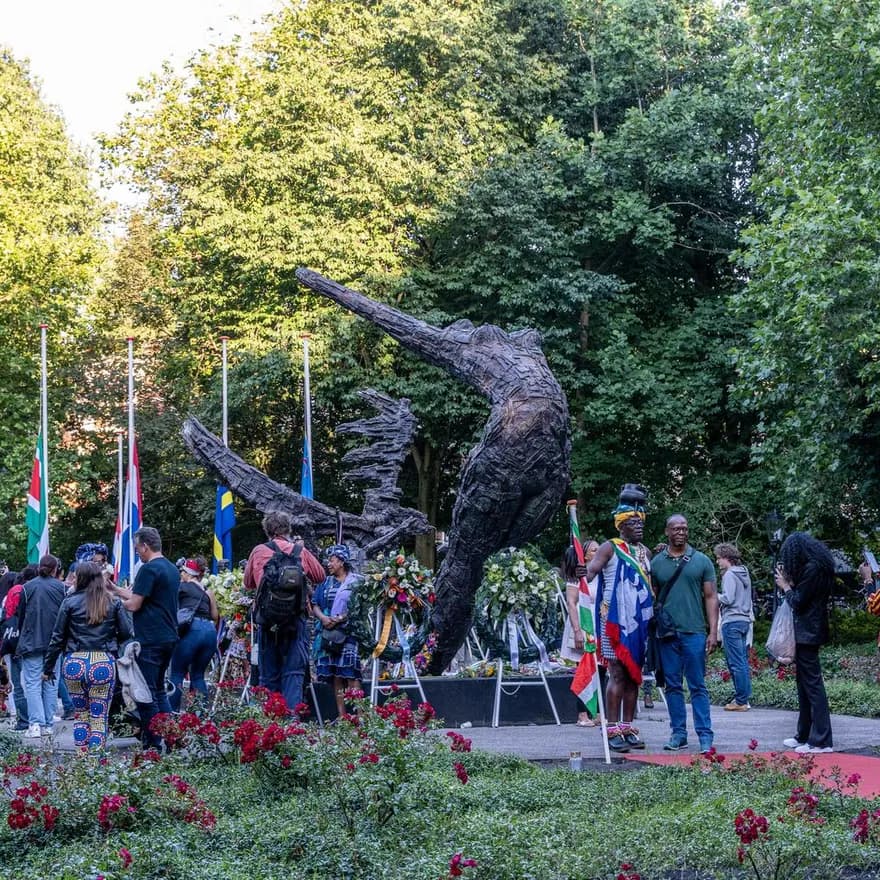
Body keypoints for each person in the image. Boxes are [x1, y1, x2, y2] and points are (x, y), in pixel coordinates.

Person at [584, 488, 653, 753]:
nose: (639, 526)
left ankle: (627, 726)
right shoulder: (610, 547)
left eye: (641, 522)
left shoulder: (645, 552)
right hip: (613, 621)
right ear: (621, 526)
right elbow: (590, 572)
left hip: (639, 623)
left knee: (634, 677)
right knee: (617, 674)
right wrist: (581, 571)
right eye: (633, 523)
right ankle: (611, 727)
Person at [42, 562, 133, 749]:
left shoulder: (69, 602)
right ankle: (95, 760)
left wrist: (48, 669)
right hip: (102, 662)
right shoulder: (113, 602)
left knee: (81, 715)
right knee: (99, 717)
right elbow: (126, 633)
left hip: (74, 662)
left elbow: (57, 638)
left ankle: (81, 758)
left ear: (80, 578)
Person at [243, 511, 325, 714]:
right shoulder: (299, 551)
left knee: (268, 673)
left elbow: (248, 583)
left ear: (267, 530)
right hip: (296, 618)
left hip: (267, 619)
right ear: (288, 528)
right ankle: (292, 721)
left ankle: (271, 720)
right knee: (294, 671)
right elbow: (320, 576)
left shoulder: (259, 551)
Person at [651, 514, 718, 753]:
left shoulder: (701, 560)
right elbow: (653, 598)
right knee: (672, 685)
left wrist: (713, 631)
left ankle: (705, 735)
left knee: (697, 685)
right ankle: (678, 734)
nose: (681, 532)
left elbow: (711, 597)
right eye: (676, 528)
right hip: (667, 634)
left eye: (684, 528)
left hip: (694, 632)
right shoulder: (656, 563)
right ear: (667, 532)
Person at [112, 526, 179, 748]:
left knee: (145, 693)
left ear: (145, 546)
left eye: (136, 548)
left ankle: (152, 744)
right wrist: (115, 589)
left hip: (150, 638)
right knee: (159, 690)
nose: (136, 552)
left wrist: (112, 602)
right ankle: (172, 738)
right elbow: (141, 596)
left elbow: (134, 604)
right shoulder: (170, 568)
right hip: (168, 636)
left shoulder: (148, 569)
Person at [774, 531, 835, 754]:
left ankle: (821, 740)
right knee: (805, 684)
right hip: (810, 631)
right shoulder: (818, 567)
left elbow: (798, 602)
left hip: (808, 632)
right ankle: (804, 734)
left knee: (812, 685)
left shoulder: (813, 569)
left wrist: (786, 586)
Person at [17, 554, 67, 737]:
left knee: (32, 683)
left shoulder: (27, 588)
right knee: (51, 683)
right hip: (54, 643)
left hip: (32, 641)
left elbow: (21, 616)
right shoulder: (62, 588)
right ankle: (47, 724)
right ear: (55, 569)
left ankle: (35, 724)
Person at [311, 545, 363, 718]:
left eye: (332, 560)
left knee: (351, 674)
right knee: (336, 675)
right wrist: (324, 618)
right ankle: (343, 718)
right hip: (329, 634)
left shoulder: (355, 582)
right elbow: (315, 604)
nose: (329, 564)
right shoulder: (325, 583)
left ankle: (360, 716)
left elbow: (360, 606)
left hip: (348, 633)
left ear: (341, 562)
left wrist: (341, 618)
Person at [169, 557, 219, 711]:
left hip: (192, 631)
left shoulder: (182, 587)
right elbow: (215, 616)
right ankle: (199, 717)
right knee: (198, 675)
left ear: (188, 574)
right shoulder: (208, 592)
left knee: (177, 673)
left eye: (182, 571)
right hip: (210, 632)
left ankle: (171, 717)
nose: (181, 574)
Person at [559, 542, 600, 726]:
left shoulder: (600, 575)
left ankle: (597, 712)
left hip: (598, 624)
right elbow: (572, 604)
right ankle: (582, 714)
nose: (598, 552)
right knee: (584, 668)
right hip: (583, 624)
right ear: (585, 555)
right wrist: (577, 631)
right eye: (594, 550)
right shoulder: (576, 577)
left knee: (600, 670)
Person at [714, 542, 753, 711]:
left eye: (718, 558)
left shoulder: (729, 574)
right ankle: (744, 698)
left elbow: (728, 598)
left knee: (736, 663)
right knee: (742, 661)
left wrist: (713, 595)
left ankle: (741, 701)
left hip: (732, 621)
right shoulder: (744, 573)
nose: (717, 562)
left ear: (727, 558)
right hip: (744, 620)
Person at [1, 565, 37, 730]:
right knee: (27, 681)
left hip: (10, 641)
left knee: (17, 681)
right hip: (25, 640)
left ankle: (20, 715)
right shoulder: (23, 591)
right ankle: (28, 717)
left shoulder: (8, 595)